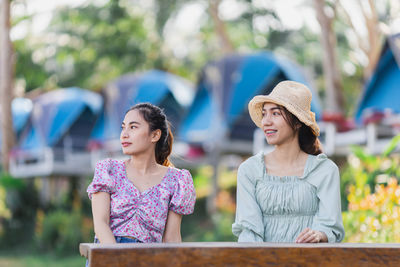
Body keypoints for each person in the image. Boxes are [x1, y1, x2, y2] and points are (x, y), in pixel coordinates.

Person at [232, 81, 345, 243]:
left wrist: (320, 234)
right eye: (264, 114)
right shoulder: (249, 170)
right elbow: (248, 232)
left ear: (298, 121)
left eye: (276, 113)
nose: (266, 122)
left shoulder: (325, 170)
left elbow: (330, 226)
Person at [87, 103, 196, 244]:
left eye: (133, 127)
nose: (124, 134)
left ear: (155, 135)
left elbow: (172, 239)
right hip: (108, 257)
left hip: (149, 258)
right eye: (123, 127)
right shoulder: (109, 170)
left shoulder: (177, 180)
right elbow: (101, 225)